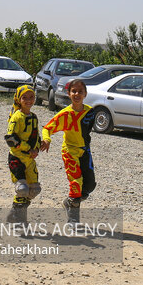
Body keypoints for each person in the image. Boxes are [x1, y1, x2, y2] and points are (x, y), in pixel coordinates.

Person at [41, 79, 96, 223]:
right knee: (76, 183)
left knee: (89, 185)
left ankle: (69, 201)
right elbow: (47, 128)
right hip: (69, 152)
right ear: (69, 93)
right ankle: (73, 220)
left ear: (85, 94)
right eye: (74, 91)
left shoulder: (90, 112)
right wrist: (47, 140)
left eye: (80, 91)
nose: (77, 94)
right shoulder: (65, 114)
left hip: (84, 151)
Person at [4, 85, 42, 223]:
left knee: (34, 190)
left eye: (31, 97)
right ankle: (20, 221)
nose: (28, 100)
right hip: (17, 158)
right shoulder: (16, 117)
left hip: (30, 160)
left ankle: (15, 211)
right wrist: (27, 149)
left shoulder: (34, 117)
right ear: (19, 99)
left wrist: (36, 149)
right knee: (22, 189)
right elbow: (10, 138)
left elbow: (36, 136)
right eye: (24, 97)